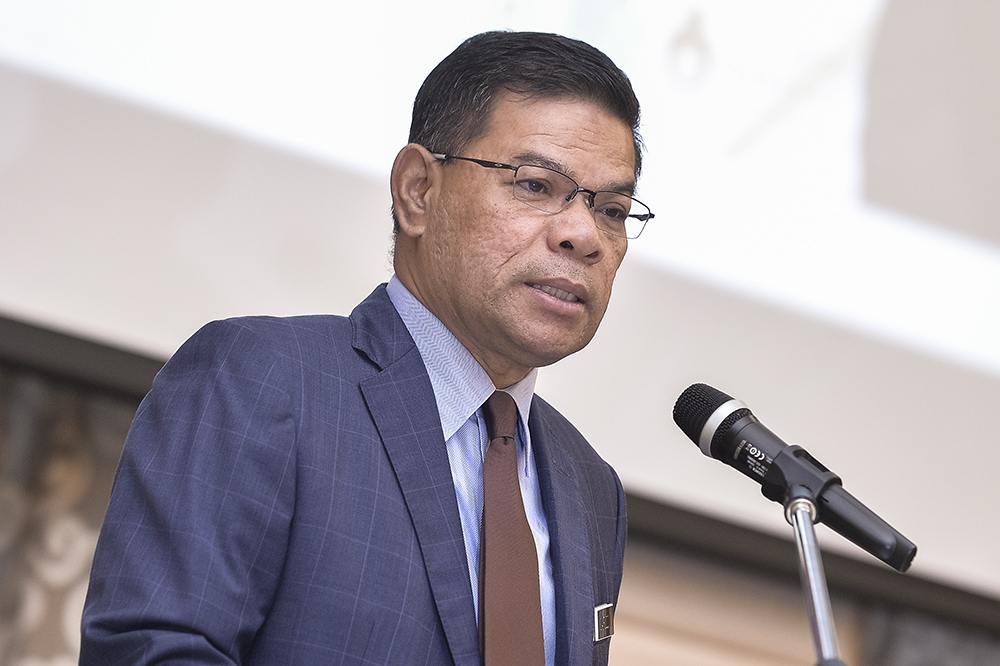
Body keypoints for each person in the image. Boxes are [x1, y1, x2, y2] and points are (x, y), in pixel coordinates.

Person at [80, 30, 654, 665]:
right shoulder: (264, 381)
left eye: (612, 209)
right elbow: (153, 650)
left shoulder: (589, 486)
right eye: (535, 186)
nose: (584, 234)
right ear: (417, 191)